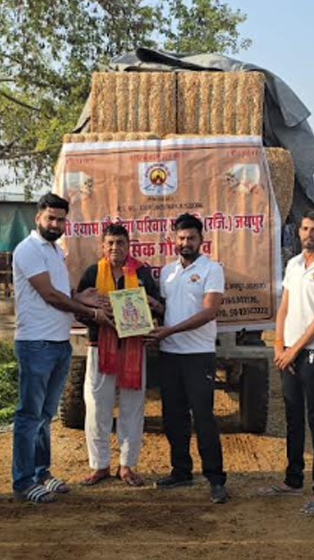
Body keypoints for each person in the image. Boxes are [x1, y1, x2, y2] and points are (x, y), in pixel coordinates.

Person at [11, 193, 113, 503]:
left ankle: (41, 472)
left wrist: (79, 297)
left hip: (58, 341)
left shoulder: (56, 251)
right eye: (50, 218)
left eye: (61, 220)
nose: (56, 224)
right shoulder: (28, 249)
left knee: (45, 415)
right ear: (38, 218)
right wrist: (90, 313)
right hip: (35, 343)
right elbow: (49, 296)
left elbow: (60, 291)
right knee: (29, 415)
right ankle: (23, 481)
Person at [261, 209, 314, 517]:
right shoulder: (294, 264)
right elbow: (283, 307)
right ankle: (292, 479)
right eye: (306, 228)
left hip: (312, 354)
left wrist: (294, 350)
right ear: (299, 231)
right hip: (288, 352)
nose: (310, 234)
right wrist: (278, 344)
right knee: (293, 417)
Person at [74, 223, 162, 488]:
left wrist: (152, 305)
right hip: (99, 347)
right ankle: (99, 465)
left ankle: (127, 465)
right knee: (96, 408)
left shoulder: (142, 273)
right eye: (110, 243)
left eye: (120, 243)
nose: (115, 248)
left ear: (128, 246)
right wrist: (95, 314)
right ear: (103, 246)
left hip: (133, 348)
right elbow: (78, 309)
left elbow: (158, 307)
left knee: (132, 408)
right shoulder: (92, 273)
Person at [151, 213, 229, 503]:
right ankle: (181, 471)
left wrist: (170, 329)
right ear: (174, 239)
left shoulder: (212, 269)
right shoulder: (167, 272)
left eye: (191, 238)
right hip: (170, 353)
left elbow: (209, 311)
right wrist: (154, 306)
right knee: (173, 417)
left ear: (201, 240)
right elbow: (171, 308)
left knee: (204, 417)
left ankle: (216, 479)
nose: (186, 242)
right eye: (181, 237)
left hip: (198, 354)